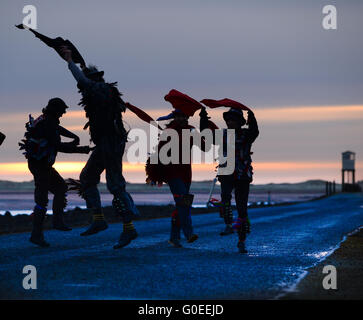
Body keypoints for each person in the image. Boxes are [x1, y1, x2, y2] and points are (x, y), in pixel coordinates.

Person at [60, 47, 139, 249]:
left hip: (111, 143)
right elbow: (85, 80)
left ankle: (129, 228)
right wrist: (79, 63)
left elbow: (83, 81)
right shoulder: (98, 90)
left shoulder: (101, 89)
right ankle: (98, 219)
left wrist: (69, 61)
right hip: (105, 143)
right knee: (87, 178)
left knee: (115, 185)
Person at [19, 98, 91, 247]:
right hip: (40, 166)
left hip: (42, 165)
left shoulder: (46, 120)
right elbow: (58, 146)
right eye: (62, 111)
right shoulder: (48, 123)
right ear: (55, 111)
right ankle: (37, 234)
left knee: (60, 188)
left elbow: (58, 129)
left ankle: (57, 221)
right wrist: (81, 149)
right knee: (41, 201)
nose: (63, 113)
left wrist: (73, 136)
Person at [146, 90, 204, 248]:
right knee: (184, 203)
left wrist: (203, 125)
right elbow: (159, 152)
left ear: (187, 118)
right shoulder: (168, 132)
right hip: (172, 173)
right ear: (174, 118)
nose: (181, 119)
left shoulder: (191, 131)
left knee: (181, 204)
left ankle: (174, 237)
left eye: (183, 116)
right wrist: (154, 172)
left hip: (186, 173)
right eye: (178, 116)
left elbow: (204, 147)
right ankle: (189, 233)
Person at [200, 103, 259, 253]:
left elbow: (255, 131)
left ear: (240, 122)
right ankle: (228, 225)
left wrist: (251, 117)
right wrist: (203, 120)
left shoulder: (247, 135)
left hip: (242, 174)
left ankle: (241, 240)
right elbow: (206, 135)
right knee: (225, 198)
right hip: (226, 172)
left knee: (242, 207)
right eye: (229, 120)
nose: (230, 122)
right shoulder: (222, 135)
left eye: (234, 120)